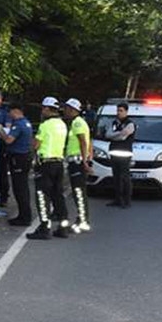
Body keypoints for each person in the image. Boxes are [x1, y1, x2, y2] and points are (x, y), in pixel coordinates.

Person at [27, 97, 70, 240]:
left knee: (42, 196)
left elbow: (36, 144)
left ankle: (44, 228)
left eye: (43, 108)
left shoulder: (45, 125)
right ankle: (63, 227)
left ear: (46, 109)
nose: (42, 111)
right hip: (59, 163)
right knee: (58, 196)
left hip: (45, 164)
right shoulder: (62, 124)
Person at [0, 103, 33, 226]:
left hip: (18, 158)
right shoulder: (27, 123)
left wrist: (0, 130)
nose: (9, 115)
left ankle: (24, 216)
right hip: (24, 157)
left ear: (16, 111)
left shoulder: (19, 124)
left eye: (10, 112)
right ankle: (24, 214)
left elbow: (9, 140)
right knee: (23, 187)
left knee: (19, 188)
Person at [63, 98, 92, 233]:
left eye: (67, 108)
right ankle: (82, 218)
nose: (65, 111)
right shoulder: (80, 122)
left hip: (77, 161)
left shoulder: (77, 123)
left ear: (72, 110)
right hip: (78, 160)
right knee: (79, 191)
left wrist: (85, 161)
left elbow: (83, 142)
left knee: (78, 192)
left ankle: (82, 219)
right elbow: (88, 140)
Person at [105, 102, 135, 208]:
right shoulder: (114, 123)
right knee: (116, 178)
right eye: (117, 110)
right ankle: (117, 200)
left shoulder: (130, 123)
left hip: (125, 154)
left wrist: (116, 135)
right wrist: (119, 133)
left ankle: (127, 201)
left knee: (125, 178)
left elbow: (124, 136)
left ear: (126, 111)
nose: (118, 112)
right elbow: (108, 134)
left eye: (121, 110)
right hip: (114, 154)